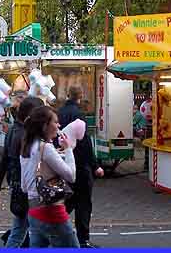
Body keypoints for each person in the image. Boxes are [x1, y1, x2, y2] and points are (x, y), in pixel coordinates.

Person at [20, 106, 79, 248]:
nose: (59, 126)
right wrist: (68, 150)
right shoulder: (46, 148)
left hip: (33, 213)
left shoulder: (26, 148)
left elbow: (24, 186)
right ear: (45, 125)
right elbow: (71, 176)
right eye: (55, 122)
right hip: (52, 212)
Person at [0, 97, 45, 247]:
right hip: (26, 188)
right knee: (33, 230)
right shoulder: (25, 135)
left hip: (16, 184)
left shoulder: (13, 131)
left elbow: (4, 161)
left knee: (20, 229)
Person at [58, 86, 104, 248]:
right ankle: (83, 239)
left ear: (68, 95)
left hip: (64, 163)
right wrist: (95, 165)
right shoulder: (79, 115)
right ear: (81, 96)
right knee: (83, 204)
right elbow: (84, 143)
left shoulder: (60, 112)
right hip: (80, 165)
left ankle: (54, 229)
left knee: (68, 200)